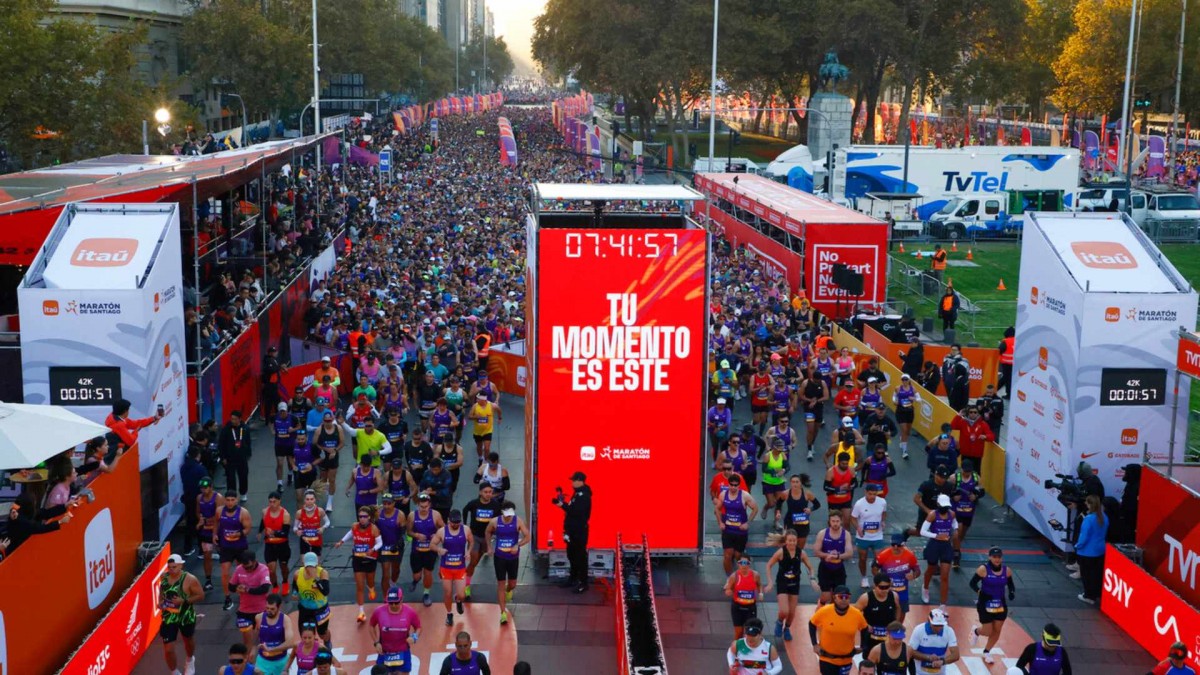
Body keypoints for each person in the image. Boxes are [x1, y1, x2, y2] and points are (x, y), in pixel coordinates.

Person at [484, 500, 530, 625]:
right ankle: (503, 613)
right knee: (500, 584)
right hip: (499, 557)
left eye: (511, 514)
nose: (509, 516)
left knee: (513, 584)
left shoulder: (517, 521)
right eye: (507, 514)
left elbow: (527, 536)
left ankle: (509, 590)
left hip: (513, 557)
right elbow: (487, 532)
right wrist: (489, 546)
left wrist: (517, 545)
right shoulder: (495, 521)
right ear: (502, 512)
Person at [334, 506, 383, 622]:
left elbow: (380, 543)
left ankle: (371, 588)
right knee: (359, 586)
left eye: (364, 517)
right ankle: (361, 612)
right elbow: (350, 533)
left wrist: (373, 549)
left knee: (370, 581)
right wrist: (341, 541)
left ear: (369, 517)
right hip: (358, 559)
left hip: (370, 559)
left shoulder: (374, 529)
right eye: (360, 516)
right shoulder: (354, 526)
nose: (362, 519)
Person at [764, 529, 814, 641]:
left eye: (794, 541)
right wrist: (770, 582)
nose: (792, 543)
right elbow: (768, 565)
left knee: (791, 613)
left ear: (797, 541)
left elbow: (811, 567)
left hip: (795, 583)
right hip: (783, 582)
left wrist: (812, 579)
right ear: (786, 541)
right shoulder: (781, 552)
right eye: (790, 540)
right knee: (784, 611)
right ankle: (779, 622)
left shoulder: (801, 553)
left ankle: (787, 628)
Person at [968, 546, 1016, 665]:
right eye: (994, 557)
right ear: (989, 557)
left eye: (999, 557)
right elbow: (972, 583)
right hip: (985, 603)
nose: (997, 559)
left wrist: (1011, 592)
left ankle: (987, 651)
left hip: (1000, 603)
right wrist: (979, 592)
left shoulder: (1007, 570)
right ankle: (976, 631)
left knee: (997, 630)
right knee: (987, 631)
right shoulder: (983, 569)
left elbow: (1011, 585)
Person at [808, 584, 868, 675]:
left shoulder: (856, 614)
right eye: (841, 597)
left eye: (847, 597)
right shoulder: (824, 611)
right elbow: (812, 624)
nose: (844, 599)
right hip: (827, 659)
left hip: (846, 660)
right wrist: (814, 644)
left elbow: (864, 629)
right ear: (834, 598)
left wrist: (863, 646)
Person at [160, 553, 205, 675]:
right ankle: (174, 672)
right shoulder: (164, 577)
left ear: (181, 565)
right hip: (169, 617)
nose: (171, 570)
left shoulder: (190, 579)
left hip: (186, 615)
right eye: (169, 567)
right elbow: (162, 591)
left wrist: (183, 601)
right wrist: (161, 602)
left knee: (188, 639)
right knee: (168, 649)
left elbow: (200, 595)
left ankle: (190, 660)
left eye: (174, 567)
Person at [431, 508, 472, 626]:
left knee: (462, 595)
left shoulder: (466, 530)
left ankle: (458, 600)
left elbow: (471, 541)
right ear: (449, 520)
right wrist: (439, 549)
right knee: (447, 592)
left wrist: (468, 551)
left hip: (460, 568)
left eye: (457, 523)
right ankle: (449, 614)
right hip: (446, 568)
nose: (455, 525)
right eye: (453, 523)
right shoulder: (442, 532)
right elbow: (432, 545)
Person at [554, 470, 592, 593]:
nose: (572, 483)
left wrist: (562, 505)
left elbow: (576, 512)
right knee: (571, 555)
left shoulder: (584, 496)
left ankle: (583, 583)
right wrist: (563, 504)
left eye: (574, 480)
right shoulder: (577, 493)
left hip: (579, 531)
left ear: (580, 481)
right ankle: (573, 578)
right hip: (572, 530)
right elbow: (572, 509)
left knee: (580, 556)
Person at [370, 586, 421, 674]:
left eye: (396, 602)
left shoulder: (410, 612)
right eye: (390, 602)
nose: (393, 605)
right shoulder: (379, 611)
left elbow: (418, 627)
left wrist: (414, 637)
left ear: (402, 599)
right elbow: (371, 626)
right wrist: (376, 642)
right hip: (384, 652)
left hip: (403, 652)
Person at [229, 550, 273, 651]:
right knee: (247, 641)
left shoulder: (263, 569)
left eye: (249, 567)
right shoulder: (239, 569)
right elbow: (231, 586)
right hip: (244, 611)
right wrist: (237, 588)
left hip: (260, 611)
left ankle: (263, 658)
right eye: (245, 568)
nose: (247, 570)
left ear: (254, 561)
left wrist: (248, 590)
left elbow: (265, 589)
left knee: (263, 639)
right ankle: (249, 658)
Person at [216, 493, 253, 611]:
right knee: (225, 572)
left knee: (242, 571)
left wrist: (239, 534)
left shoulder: (243, 513)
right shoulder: (219, 511)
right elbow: (216, 523)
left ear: (236, 500)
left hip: (239, 546)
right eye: (228, 500)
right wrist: (214, 535)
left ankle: (244, 593)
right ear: (224, 500)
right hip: (226, 546)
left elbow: (248, 529)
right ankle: (227, 598)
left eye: (232, 500)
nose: (230, 502)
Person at [919, 494, 958, 605]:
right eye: (943, 506)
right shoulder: (932, 515)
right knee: (931, 569)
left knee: (945, 576)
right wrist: (936, 536)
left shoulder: (952, 514)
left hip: (946, 546)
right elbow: (922, 531)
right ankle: (925, 588)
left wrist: (956, 530)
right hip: (934, 546)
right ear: (938, 504)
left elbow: (955, 523)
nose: (945, 509)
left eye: (946, 507)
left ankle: (943, 604)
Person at [463, 483, 501, 598]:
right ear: (480, 492)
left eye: (490, 492)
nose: (488, 494)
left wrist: (495, 532)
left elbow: (498, 519)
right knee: (473, 560)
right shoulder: (474, 503)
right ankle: (466, 585)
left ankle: (468, 573)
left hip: (487, 537)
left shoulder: (495, 505)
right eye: (485, 492)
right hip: (474, 535)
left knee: (478, 558)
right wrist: (465, 524)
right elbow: (465, 510)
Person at [407, 493, 444, 607]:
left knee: (428, 572)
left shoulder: (436, 515)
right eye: (421, 506)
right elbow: (408, 532)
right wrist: (416, 535)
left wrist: (436, 535)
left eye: (426, 507)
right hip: (417, 550)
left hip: (430, 550)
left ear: (430, 505)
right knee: (417, 575)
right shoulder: (412, 515)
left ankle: (426, 593)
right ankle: (415, 580)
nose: (423, 509)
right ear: (418, 505)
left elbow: (443, 529)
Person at [873, 533, 921, 621]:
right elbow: (874, 569)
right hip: (887, 590)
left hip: (902, 590)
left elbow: (917, 570)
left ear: (903, 544)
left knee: (902, 610)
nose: (895, 547)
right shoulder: (883, 555)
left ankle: (898, 627)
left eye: (898, 545)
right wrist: (881, 580)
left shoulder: (910, 555)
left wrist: (914, 575)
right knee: (884, 612)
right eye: (893, 544)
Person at [718, 473, 759, 574]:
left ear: (739, 485)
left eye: (735, 485)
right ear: (728, 484)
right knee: (727, 555)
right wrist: (720, 522)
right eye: (731, 485)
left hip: (740, 532)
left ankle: (742, 574)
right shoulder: (723, 495)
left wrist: (747, 523)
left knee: (737, 556)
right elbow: (717, 509)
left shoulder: (745, 495)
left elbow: (755, 508)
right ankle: (729, 578)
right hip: (728, 530)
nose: (733, 487)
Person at [855, 575, 901, 665]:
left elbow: (898, 608)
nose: (885, 590)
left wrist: (896, 622)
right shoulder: (866, 598)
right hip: (870, 635)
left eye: (887, 587)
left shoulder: (894, 596)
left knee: (886, 659)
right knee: (868, 660)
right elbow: (855, 613)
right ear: (875, 586)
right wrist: (865, 624)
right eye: (882, 587)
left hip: (886, 635)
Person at [291, 552, 332, 646]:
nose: (310, 568)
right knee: (304, 633)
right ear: (303, 564)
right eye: (308, 566)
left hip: (320, 609)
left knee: (322, 633)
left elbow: (326, 591)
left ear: (317, 564)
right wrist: (294, 593)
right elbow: (295, 585)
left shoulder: (322, 573)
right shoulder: (297, 573)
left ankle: (327, 641)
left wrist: (316, 579)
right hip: (305, 608)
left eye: (312, 566)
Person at [851, 484, 888, 587]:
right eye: (870, 494)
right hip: (863, 536)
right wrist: (858, 528)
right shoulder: (859, 504)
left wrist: (883, 521)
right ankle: (864, 577)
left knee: (879, 558)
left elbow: (884, 513)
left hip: (877, 535)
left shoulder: (882, 502)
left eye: (874, 494)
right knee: (862, 558)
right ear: (865, 492)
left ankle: (878, 579)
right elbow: (853, 518)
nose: (872, 496)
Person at [1074, 494, 1108, 605]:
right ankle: (1096, 593)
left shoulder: (1088, 519)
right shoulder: (1104, 517)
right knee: (1096, 574)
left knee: (1087, 575)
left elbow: (1084, 536)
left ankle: (1088, 595)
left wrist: (1078, 545)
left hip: (1087, 551)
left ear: (1089, 504)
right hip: (1100, 549)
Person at [951, 459, 985, 568]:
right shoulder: (954, 478)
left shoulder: (976, 478)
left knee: (962, 533)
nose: (967, 473)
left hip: (969, 511)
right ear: (961, 469)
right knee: (958, 530)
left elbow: (982, 492)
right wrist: (953, 496)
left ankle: (956, 547)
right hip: (957, 510)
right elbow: (945, 490)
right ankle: (956, 556)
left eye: (969, 471)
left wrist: (976, 496)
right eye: (965, 471)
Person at [813, 512, 852, 606]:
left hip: (839, 569)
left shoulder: (846, 534)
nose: (835, 523)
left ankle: (833, 611)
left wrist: (837, 556)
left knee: (837, 597)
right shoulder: (822, 533)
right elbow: (816, 552)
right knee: (826, 595)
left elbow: (849, 553)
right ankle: (820, 606)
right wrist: (827, 555)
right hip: (825, 568)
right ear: (829, 522)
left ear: (841, 521)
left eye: (837, 521)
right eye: (833, 521)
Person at [724, 552, 764, 639]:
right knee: (738, 633)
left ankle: (747, 647)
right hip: (737, 608)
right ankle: (735, 647)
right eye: (741, 563)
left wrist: (760, 593)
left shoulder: (755, 575)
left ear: (749, 564)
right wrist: (728, 591)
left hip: (750, 608)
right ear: (738, 564)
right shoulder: (734, 576)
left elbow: (759, 585)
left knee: (750, 633)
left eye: (746, 563)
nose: (744, 565)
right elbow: (728, 588)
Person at [254, 593, 296, 675]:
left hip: (280, 661)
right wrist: (253, 648)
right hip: (263, 661)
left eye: (272, 609)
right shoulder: (259, 617)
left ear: (279, 607)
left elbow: (290, 643)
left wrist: (271, 650)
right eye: (267, 608)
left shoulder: (285, 620)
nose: (269, 611)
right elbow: (256, 634)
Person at [909, 608, 959, 675]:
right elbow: (910, 652)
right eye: (935, 625)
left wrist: (942, 662)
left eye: (941, 625)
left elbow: (956, 655)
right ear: (929, 621)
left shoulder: (949, 631)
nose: (938, 628)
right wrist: (928, 657)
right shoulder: (919, 630)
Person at [259, 492, 292, 594]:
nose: (272, 504)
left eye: (274, 502)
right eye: (270, 502)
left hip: (282, 545)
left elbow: (285, 533)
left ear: (279, 501)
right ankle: (275, 585)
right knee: (271, 570)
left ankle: (285, 582)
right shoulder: (265, 511)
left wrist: (274, 532)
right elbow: (263, 522)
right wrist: (260, 532)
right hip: (270, 545)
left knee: (283, 567)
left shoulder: (285, 515)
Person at [219, 410, 253, 502]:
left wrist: (248, 453)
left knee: (243, 476)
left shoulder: (245, 428)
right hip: (230, 458)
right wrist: (223, 457)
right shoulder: (226, 429)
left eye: (234, 419)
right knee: (230, 478)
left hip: (242, 457)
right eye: (231, 419)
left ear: (239, 419)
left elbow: (248, 441)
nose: (232, 421)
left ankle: (243, 493)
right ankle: (231, 495)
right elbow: (221, 444)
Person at [377, 494, 408, 590]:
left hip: (396, 545)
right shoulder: (378, 513)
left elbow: (403, 532)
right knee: (385, 573)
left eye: (389, 504)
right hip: (383, 546)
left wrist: (398, 543)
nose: (386, 506)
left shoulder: (400, 515)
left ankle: (393, 583)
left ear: (394, 503)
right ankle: (385, 596)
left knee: (396, 570)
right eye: (384, 503)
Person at [950, 406, 994, 470]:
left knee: (976, 473)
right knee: (964, 472)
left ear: (978, 413)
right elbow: (952, 426)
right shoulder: (963, 422)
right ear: (968, 413)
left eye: (975, 412)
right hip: (965, 453)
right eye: (971, 412)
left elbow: (992, 436)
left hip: (977, 454)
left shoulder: (983, 424)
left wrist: (985, 437)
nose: (973, 414)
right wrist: (959, 415)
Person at [782, 474, 821, 542]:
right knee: (790, 543)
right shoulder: (786, 493)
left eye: (797, 482)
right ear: (790, 483)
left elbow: (817, 504)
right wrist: (778, 512)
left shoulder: (807, 493)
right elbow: (779, 503)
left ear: (801, 483)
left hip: (803, 521)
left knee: (800, 544)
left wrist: (810, 509)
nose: (795, 484)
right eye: (793, 482)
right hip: (790, 521)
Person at [271, 402, 300, 490]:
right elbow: (270, 423)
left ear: (287, 410)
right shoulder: (275, 417)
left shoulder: (293, 418)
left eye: (284, 411)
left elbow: (299, 426)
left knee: (290, 462)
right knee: (279, 464)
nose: (283, 413)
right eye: (281, 411)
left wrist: (293, 429)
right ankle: (279, 484)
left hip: (290, 444)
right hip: (279, 444)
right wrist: (272, 430)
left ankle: (290, 474)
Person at [294, 489, 331, 558]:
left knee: (316, 563)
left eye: (311, 499)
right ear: (304, 500)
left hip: (316, 540)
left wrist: (323, 528)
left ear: (315, 500)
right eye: (307, 499)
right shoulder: (299, 513)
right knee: (304, 563)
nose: (309, 501)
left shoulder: (320, 511)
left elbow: (328, 522)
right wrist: (297, 531)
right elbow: (295, 527)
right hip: (304, 540)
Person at [891, 374, 920, 459]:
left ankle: (902, 439)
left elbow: (919, 399)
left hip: (910, 411)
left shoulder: (913, 389)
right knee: (904, 430)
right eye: (903, 380)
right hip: (900, 411)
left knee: (908, 431)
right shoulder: (898, 388)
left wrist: (913, 399)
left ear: (909, 380)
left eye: (906, 380)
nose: (904, 381)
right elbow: (894, 397)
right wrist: (895, 401)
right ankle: (904, 451)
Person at [469, 393, 502, 463]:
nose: (476, 400)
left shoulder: (492, 405)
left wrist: (499, 418)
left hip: (488, 431)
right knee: (479, 447)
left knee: (487, 448)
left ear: (483, 399)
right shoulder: (475, 406)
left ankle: (485, 461)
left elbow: (499, 410)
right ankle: (480, 458)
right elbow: (469, 417)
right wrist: (475, 417)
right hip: (477, 432)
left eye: (478, 399)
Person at [941, 346, 970, 413]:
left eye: (955, 350)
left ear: (959, 351)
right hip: (948, 384)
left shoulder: (963, 361)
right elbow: (944, 371)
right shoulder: (946, 359)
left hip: (958, 384)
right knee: (951, 401)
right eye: (952, 349)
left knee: (957, 402)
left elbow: (965, 373)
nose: (953, 351)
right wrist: (945, 380)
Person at [708, 397, 734, 467]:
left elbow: (727, 423)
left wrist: (719, 429)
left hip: (724, 432)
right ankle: (714, 461)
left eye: (722, 404)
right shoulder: (712, 410)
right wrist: (712, 425)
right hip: (713, 431)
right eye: (719, 404)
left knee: (723, 447)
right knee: (715, 447)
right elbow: (707, 420)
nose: (720, 405)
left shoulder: (727, 411)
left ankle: (723, 462)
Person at [997, 327, 1015, 398]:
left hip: (1006, 363)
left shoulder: (1005, 341)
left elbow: (999, 350)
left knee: (1006, 378)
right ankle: (1009, 393)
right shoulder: (1018, 340)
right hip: (1015, 363)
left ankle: (996, 389)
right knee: (1009, 379)